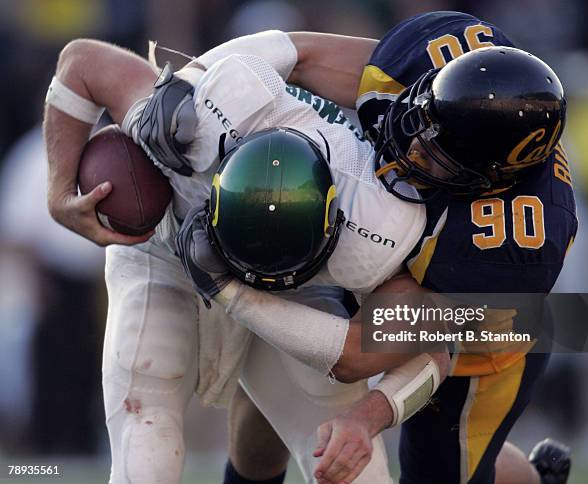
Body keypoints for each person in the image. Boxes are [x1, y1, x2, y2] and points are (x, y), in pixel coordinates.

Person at [163, 11, 576, 484]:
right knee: (274, 389)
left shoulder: (503, 250)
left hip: (472, 346)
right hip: (369, 262)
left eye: (436, 155)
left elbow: (360, 352)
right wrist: (188, 84)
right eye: (423, 119)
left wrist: (227, 288)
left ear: (488, 181)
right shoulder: (431, 59)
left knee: (434, 471)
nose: (411, 146)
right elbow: (295, 54)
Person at [44, 37, 445, 483]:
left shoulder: (379, 230)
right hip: (171, 246)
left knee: (358, 471)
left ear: (334, 226)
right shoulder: (198, 123)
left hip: (302, 293)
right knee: (147, 445)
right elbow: (82, 60)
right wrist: (59, 190)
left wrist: (368, 418)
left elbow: (439, 344)